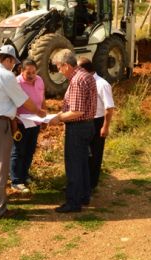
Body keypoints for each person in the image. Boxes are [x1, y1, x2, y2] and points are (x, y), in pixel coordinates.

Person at [0, 45, 46, 219]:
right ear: (8, 60)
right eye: (13, 63)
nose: (13, 67)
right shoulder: (5, 75)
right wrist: (39, 112)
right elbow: (22, 99)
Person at [50, 49, 97, 213]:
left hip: (78, 127)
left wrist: (58, 118)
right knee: (83, 163)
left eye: (59, 67)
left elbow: (77, 111)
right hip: (87, 125)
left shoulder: (77, 80)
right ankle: (84, 195)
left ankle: (73, 202)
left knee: (74, 165)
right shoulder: (85, 75)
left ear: (66, 65)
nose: (58, 70)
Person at [77, 57, 115, 193]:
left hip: (97, 122)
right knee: (83, 154)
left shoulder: (102, 84)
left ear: (83, 69)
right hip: (85, 121)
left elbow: (109, 108)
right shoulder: (83, 82)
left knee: (95, 154)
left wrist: (105, 126)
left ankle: (92, 184)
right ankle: (82, 182)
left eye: (77, 69)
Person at [10, 59, 45, 193]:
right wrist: (14, 126)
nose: (31, 75)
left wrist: (44, 117)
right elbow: (12, 104)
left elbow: (42, 98)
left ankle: (24, 175)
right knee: (18, 152)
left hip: (35, 122)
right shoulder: (16, 83)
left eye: (33, 72)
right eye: (28, 73)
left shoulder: (40, 80)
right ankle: (16, 181)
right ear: (21, 71)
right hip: (21, 123)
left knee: (30, 150)